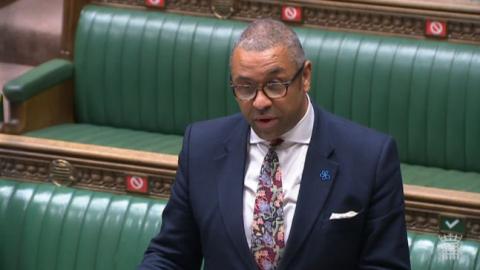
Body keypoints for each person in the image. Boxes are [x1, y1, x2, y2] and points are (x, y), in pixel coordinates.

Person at [138, 19, 410, 270]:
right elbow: (171, 254)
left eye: (275, 85)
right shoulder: (202, 147)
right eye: (245, 88)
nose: (260, 102)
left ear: (305, 77)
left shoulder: (369, 157)